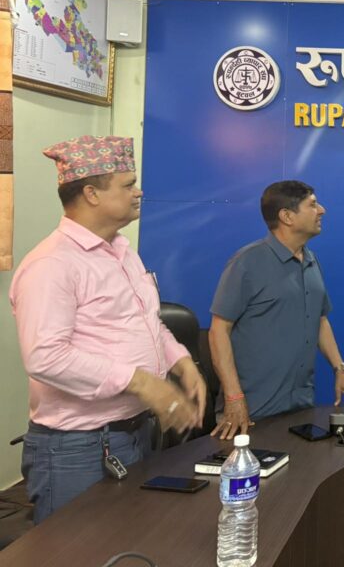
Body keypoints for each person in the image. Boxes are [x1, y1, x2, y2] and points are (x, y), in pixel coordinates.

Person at [11, 135, 206, 523]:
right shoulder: (52, 264)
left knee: (127, 541)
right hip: (78, 450)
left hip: (133, 434)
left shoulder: (122, 252)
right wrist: (141, 382)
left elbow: (146, 323)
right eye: (128, 184)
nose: (139, 192)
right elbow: (45, 357)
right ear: (91, 194)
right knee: (74, 549)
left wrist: (182, 363)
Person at [209, 180, 344, 440]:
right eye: (313, 205)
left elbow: (320, 320)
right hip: (250, 413)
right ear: (287, 216)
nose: (322, 210)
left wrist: (340, 370)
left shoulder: (311, 260)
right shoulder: (247, 262)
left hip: (300, 408)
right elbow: (218, 331)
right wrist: (234, 397)